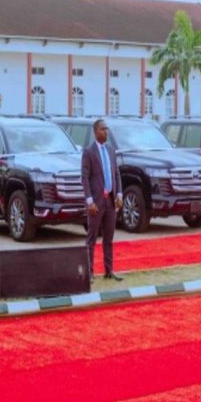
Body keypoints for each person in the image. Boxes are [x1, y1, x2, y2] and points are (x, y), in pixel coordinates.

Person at [82, 119, 123, 282]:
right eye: (103, 129)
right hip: (96, 203)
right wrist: (89, 200)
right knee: (91, 238)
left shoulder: (111, 151)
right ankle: (89, 272)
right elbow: (84, 177)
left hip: (111, 201)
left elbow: (116, 173)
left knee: (109, 238)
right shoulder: (89, 152)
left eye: (107, 129)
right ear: (95, 132)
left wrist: (119, 193)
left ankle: (109, 270)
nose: (106, 131)